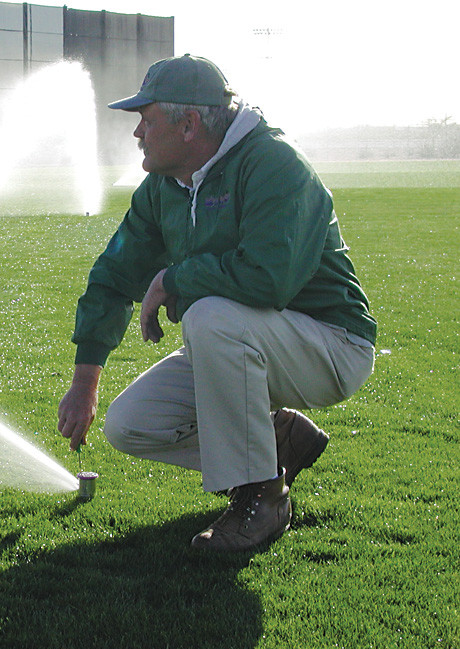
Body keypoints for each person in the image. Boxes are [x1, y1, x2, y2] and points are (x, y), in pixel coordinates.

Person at [57, 55, 376, 552]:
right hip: (240, 339)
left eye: (147, 119)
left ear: (188, 124)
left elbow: (268, 279)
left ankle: (262, 500)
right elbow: (114, 275)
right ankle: (279, 441)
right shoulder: (164, 186)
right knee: (131, 425)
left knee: (209, 315)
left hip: (332, 345)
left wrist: (174, 278)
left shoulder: (274, 164)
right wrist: (84, 384)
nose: (137, 133)